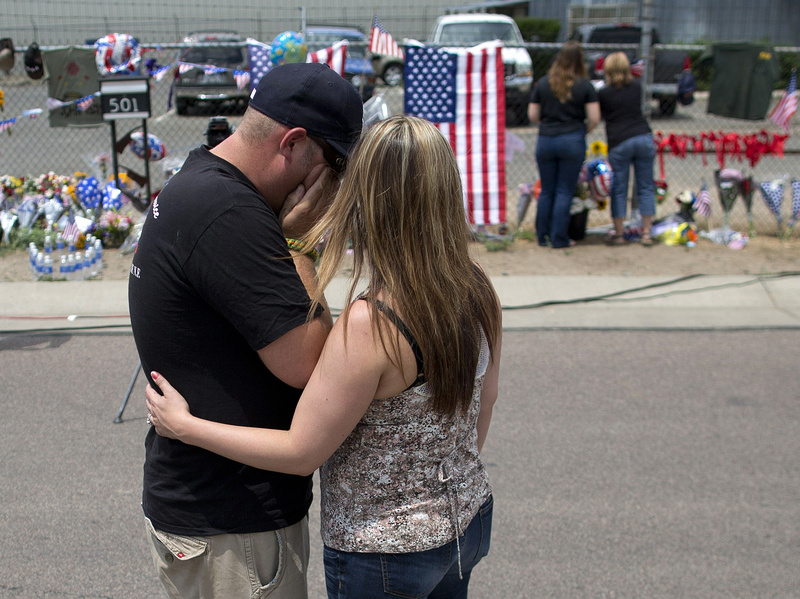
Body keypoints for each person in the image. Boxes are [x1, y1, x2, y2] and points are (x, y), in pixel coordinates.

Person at [144, 115, 504, 599]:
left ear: (367, 202)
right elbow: (484, 405)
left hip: (384, 550)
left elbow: (302, 451)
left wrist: (186, 427)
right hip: (466, 517)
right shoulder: (478, 287)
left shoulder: (371, 323)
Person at [128, 62, 363, 599]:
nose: (336, 185)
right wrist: (302, 242)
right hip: (234, 522)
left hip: (209, 506)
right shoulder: (231, 210)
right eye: (334, 165)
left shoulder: (200, 180)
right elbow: (309, 363)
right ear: (295, 142)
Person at [528, 40, 600, 249]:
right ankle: (559, 238)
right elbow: (594, 117)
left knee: (547, 190)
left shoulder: (543, 83)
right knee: (564, 191)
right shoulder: (585, 85)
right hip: (572, 139)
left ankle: (542, 236)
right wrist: (581, 131)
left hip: (546, 140)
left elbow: (533, 115)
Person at [598, 52, 657, 246]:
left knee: (619, 189)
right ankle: (646, 232)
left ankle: (619, 233)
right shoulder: (636, 88)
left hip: (619, 142)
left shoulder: (604, 93)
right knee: (646, 186)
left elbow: (602, 116)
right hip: (643, 136)